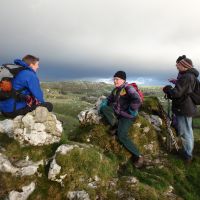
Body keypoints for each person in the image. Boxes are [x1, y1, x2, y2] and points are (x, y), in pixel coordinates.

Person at [100, 71, 144, 168]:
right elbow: (109, 99)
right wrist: (104, 103)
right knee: (104, 109)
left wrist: (131, 110)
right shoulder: (116, 90)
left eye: (117, 79)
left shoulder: (128, 88)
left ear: (123, 80)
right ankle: (116, 125)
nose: (115, 81)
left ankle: (139, 155)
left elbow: (137, 100)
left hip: (127, 116)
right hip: (118, 112)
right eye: (114, 79)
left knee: (121, 135)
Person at [163, 55, 199, 163]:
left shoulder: (187, 77)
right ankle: (188, 152)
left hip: (183, 108)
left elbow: (177, 93)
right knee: (188, 131)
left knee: (185, 132)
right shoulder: (190, 76)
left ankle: (187, 155)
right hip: (187, 107)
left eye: (178, 64)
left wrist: (167, 89)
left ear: (184, 66)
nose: (176, 66)